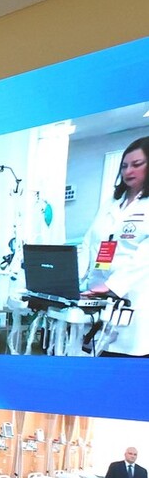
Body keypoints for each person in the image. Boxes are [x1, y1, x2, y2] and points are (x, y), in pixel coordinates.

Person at [82, 137, 149, 357]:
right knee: (98, 355)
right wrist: (74, 280)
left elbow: (145, 257)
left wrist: (113, 285)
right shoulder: (112, 202)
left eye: (137, 164)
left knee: (128, 361)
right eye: (124, 165)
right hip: (98, 295)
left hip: (135, 299)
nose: (128, 171)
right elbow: (89, 242)